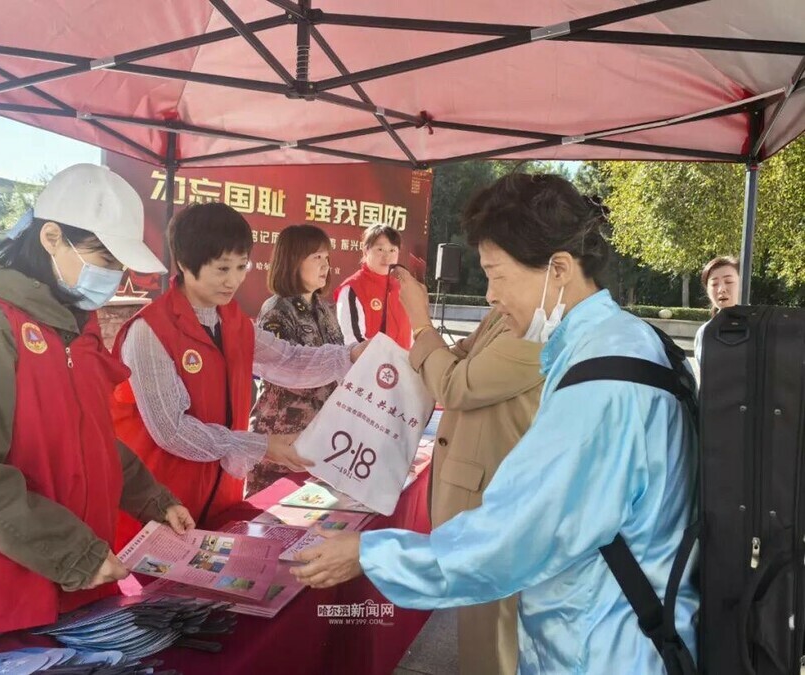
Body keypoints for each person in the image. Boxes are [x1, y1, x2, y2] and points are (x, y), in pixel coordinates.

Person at [291, 173, 699, 674]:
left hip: (605, 648)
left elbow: (514, 537)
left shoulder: (603, 383)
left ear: (559, 269)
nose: (488, 295)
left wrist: (373, 554)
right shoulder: (620, 342)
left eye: (498, 274)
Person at [0, 164, 194, 671]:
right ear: (51, 238)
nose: (113, 276)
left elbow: (90, 439)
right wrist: (76, 555)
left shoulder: (75, 327)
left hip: (74, 592)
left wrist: (153, 498)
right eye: (103, 257)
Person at [111, 204, 366, 546]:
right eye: (222, 269)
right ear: (186, 264)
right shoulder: (149, 331)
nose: (233, 280)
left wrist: (349, 355)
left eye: (241, 266)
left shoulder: (232, 321)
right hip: (161, 504)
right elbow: (171, 430)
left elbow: (288, 361)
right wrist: (261, 446)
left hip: (221, 497)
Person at [397, 269, 544, 675]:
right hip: (480, 492)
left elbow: (455, 385)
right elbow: (460, 356)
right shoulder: (505, 313)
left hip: (494, 497)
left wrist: (420, 321)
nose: (490, 293)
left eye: (500, 274)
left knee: (491, 640)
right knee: (481, 627)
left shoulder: (542, 325)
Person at [248, 224, 345, 496]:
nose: (325, 266)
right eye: (316, 258)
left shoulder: (325, 309)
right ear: (293, 260)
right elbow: (286, 372)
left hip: (318, 441)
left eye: (327, 258)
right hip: (282, 442)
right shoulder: (277, 310)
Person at [334, 224, 412, 349]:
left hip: (402, 366)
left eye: (392, 250)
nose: (387, 257)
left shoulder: (403, 287)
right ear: (366, 251)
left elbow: (412, 335)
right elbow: (353, 342)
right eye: (380, 250)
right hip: (370, 366)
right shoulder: (353, 288)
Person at [694, 255, 740, 366]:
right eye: (714, 284)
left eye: (729, 281)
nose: (721, 289)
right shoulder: (705, 332)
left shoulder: (762, 326)